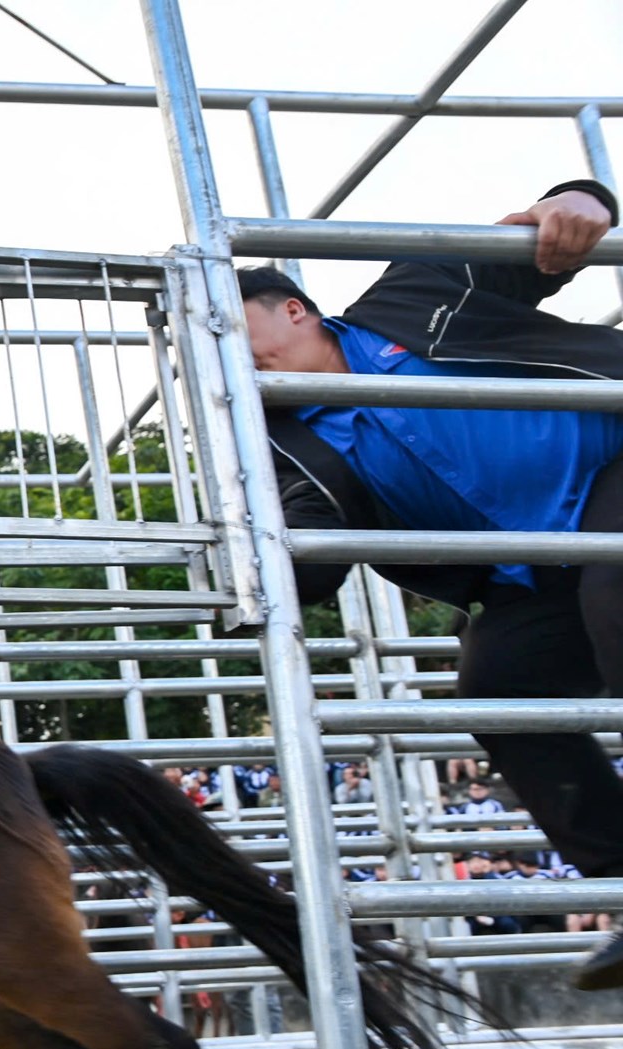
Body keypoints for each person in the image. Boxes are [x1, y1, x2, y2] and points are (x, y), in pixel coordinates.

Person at [243, 179, 623, 991]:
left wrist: (578, 199)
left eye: (228, 325)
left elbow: (541, 238)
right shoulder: (294, 453)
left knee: (615, 588)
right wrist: (240, 558)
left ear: (293, 309)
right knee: (496, 687)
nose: (225, 352)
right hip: (544, 567)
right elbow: (310, 567)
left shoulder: (416, 289)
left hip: (613, 465)